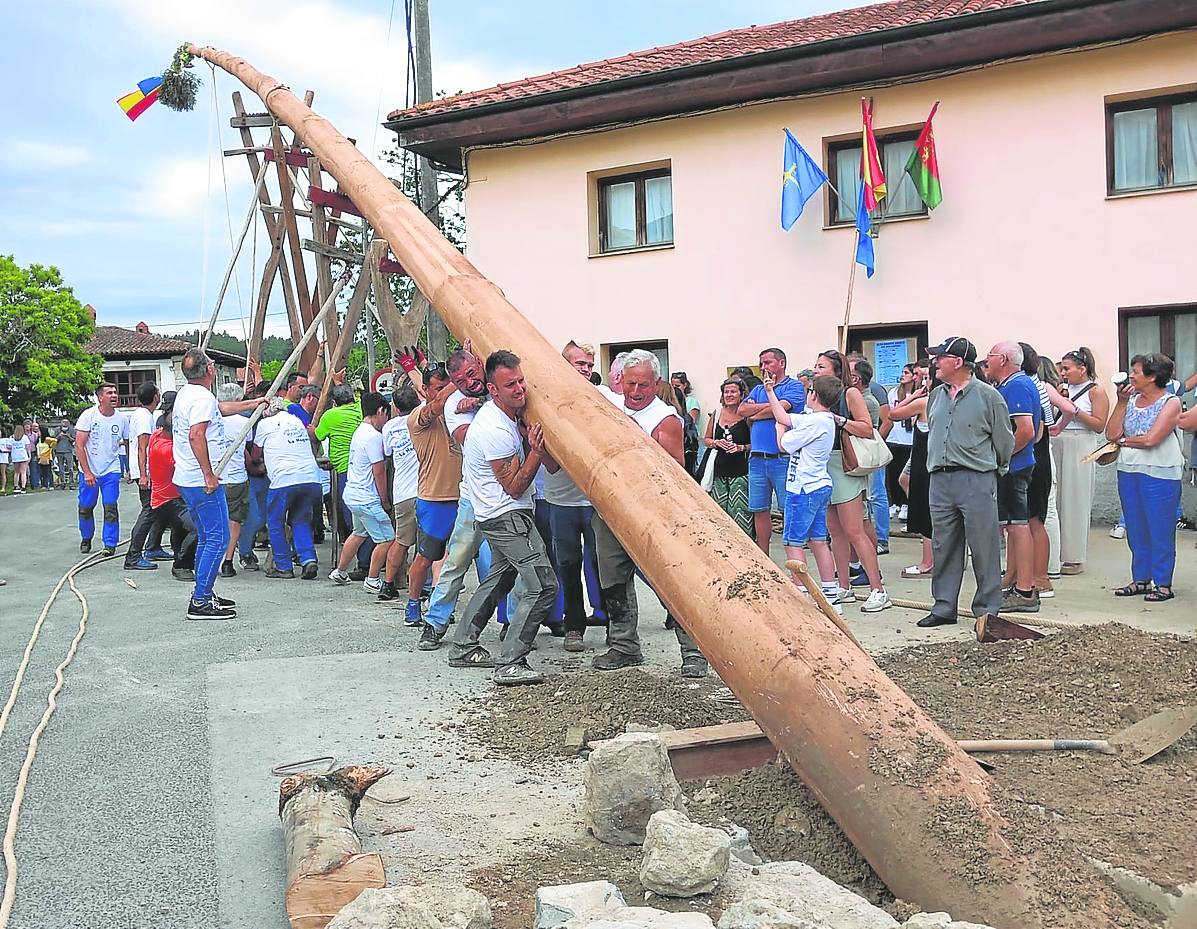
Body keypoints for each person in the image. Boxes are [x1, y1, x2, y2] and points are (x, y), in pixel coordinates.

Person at [590, 349, 709, 677]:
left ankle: (694, 652)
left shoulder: (666, 419)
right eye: (631, 384)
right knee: (613, 581)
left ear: (656, 384)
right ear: (621, 382)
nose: (636, 391)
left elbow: (675, 476)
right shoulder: (609, 407)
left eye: (643, 385)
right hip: (609, 508)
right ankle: (623, 646)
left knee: (671, 582)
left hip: (651, 514)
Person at [448, 350, 560, 685]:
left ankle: (463, 646)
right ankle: (510, 661)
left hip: (496, 514)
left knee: (499, 580)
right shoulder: (494, 427)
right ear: (493, 390)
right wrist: (537, 452)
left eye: (521, 381)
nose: (519, 389)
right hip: (507, 516)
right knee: (543, 586)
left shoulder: (505, 416)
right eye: (510, 384)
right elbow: (513, 486)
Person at [418, 349, 514, 639]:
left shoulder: (498, 393)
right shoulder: (453, 406)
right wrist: (487, 402)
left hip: (513, 496)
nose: (470, 382)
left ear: (481, 366)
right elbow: (476, 442)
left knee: (512, 565)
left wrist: (484, 400)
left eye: (473, 374)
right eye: (461, 380)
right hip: (474, 498)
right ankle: (435, 623)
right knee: (457, 560)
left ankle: (512, 622)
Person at [919, 337, 1013, 628]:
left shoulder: (988, 396)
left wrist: (995, 470)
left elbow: (1004, 440)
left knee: (983, 545)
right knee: (943, 545)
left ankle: (987, 609)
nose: (934, 363)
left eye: (940, 358)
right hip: (940, 479)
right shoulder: (936, 395)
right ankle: (944, 606)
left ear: (957, 362)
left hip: (976, 477)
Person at [172, 349, 257, 621]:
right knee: (218, 538)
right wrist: (209, 474)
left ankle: (204, 591)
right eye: (211, 363)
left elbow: (219, 409)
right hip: (201, 481)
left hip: (187, 478)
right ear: (208, 371)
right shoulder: (201, 399)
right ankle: (200, 600)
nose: (214, 365)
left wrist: (252, 404)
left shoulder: (190, 394)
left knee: (208, 537)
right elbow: (197, 434)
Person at [814, 350, 889, 612]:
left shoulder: (849, 394)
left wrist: (839, 420)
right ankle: (843, 585)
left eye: (821, 366)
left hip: (845, 463)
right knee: (835, 532)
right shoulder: (816, 397)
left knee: (855, 530)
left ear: (836, 369)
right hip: (825, 465)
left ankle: (878, 589)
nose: (816, 370)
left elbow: (867, 428)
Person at [545, 341, 608, 652]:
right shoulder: (547, 402)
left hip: (597, 501)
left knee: (603, 564)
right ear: (563, 365)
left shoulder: (605, 398)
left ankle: (613, 624)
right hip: (561, 500)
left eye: (587, 364)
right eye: (578, 363)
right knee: (567, 565)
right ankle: (574, 626)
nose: (584, 369)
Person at [1106, 353, 1184, 602]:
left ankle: (1162, 583)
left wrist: (1124, 441)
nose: (1130, 376)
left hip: (1160, 471)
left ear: (1152, 377)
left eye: (1136, 372)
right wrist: (1120, 403)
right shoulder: (1130, 400)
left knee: (1160, 527)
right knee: (1136, 526)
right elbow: (1111, 433)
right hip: (1130, 469)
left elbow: (1151, 439)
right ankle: (1140, 579)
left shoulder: (1170, 402)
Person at [767, 372, 841, 608]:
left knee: (793, 542)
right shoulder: (821, 418)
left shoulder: (814, 422)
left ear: (814, 395)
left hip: (803, 489)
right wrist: (770, 392)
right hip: (819, 486)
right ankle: (831, 593)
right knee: (819, 541)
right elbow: (784, 417)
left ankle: (802, 595)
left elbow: (783, 444)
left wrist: (779, 429)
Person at [986, 341, 1044, 613]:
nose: (987, 359)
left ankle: (1025, 589)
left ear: (1005, 359)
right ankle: (1018, 583)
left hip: (1014, 467)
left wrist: (1003, 457)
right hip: (1019, 463)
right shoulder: (1015, 384)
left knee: (1018, 525)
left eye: (991, 355)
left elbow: (1026, 430)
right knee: (1014, 525)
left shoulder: (1017, 386)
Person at [406, 364, 460, 638]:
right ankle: (413, 602)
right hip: (434, 499)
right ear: (425, 390)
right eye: (438, 388)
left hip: (464, 498)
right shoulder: (419, 417)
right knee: (426, 557)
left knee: (469, 559)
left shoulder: (457, 410)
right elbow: (437, 404)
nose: (446, 393)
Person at [736, 348, 806, 554]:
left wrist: (757, 411)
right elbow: (742, 410)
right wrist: (768, 409)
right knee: (759, 509)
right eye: (761, 364)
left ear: (781, 363)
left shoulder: (793, 386)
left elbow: (782, 409)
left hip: (782, 458)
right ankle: (763, 555)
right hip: (757, 458)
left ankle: (793, 554)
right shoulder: (758, 389)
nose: (763, 368)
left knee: (788, 510)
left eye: (767, 363)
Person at [1050, 348, 1109, 575]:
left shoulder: (1095, 391)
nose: (1063, 373)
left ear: (1082, 369)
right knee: (1056, 499)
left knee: (1076, 499)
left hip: (1081, 441)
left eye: (1067, 368)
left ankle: (1074, 557)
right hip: (1059, 440)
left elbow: (1098, 424)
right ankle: (1055, 551)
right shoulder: (1060, 390)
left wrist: (1073, 410)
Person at [329, 392, 394, 591]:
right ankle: (373, 579)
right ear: (381, 411)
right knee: (387, 539)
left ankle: (340, 571)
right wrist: (385, 500)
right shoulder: (374, 437)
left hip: (352, 493)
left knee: (358, 533)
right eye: (386, 415)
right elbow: (379, 471)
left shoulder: (359, 431)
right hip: (367, 498)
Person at [254, 399, 323, 579]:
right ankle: (308, 559)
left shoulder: (265, 424)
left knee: (275, 523)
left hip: (283, 480)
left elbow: (255, 455)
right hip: (311, 478)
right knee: (300, 520)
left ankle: (284, 566)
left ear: (267, 411)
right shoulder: (295, 420)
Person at [316, 385, 369, 580]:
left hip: (346, 471)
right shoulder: (359, 408)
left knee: (353, 520)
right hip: (367, 467)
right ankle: (367, 561)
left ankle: (364, 564)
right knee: (367, 515)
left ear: (335, 402)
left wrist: (312, 428)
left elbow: (317, 435)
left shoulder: (330, 416)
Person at [146, 392, 198, 581]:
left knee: (181, 529)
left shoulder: (157, 435)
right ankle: (181, 564)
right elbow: (189, 463)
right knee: (196, 527)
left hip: (170, 497)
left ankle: (180, 559)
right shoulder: (168, 449)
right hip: (167, 500)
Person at [378, 382, 422, 601]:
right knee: (430, 542)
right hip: (426, 490)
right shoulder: (424, 419)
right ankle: (425, 584)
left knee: (401, 541)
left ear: (395, 407)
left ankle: (387, 584)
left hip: (402, 492)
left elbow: (386, 453)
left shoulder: (389, 427)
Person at [891, 361, 934, 578]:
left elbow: (894, 414)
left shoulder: (925, 402)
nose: (922, 381)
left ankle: (928, 562)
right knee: (903, 480)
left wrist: (914, 396)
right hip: (922, 457)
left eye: (927, 377)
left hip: (923, 460)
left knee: (927, 512)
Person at [74, 383, 128, 555]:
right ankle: (86, 537)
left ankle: (110, 543)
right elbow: (79, 445)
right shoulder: (88, 416)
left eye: (115, 392)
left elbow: (128, 444)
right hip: (89, 471)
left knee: (110, 506)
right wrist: (88, 472)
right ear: (100, 397)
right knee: (86, 507)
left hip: (111, 470)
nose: (114, 396)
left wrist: (130, 469)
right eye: (109, 393)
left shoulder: (122, 419)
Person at [124, 381, 172, 571]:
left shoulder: (142, 414)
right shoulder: (144, 418)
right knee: (149, 511)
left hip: (144, 469)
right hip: (145, 471)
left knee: (159, 509)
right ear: (155, 397)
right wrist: (144, 474)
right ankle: (133, 556)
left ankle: (153, 546)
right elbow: (143, 448)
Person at [850, 356, 892, 555]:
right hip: (861, 457)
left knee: (875, 496)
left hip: (866, 457)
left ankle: (880, 539)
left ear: (856, 378)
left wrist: (876, 446)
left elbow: (885, 421)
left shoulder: (867, 400)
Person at [703, 378, 752, 536]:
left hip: (741, 472)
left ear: (741, 394)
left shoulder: (748, 417)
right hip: (719, 471)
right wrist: (717, 442)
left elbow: (755, 444)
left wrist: (740, 447)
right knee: (719, 512)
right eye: (726, 392)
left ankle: (745, 548)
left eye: (733, 391)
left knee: (740, 512)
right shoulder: (716, 414)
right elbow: (706, 439)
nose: (729, 395)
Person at [216, 384, 253, 578]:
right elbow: (248, 448)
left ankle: (214, 558)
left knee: (215, 521)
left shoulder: (212, 419)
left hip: (216, 476)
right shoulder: (244, 422)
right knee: (235, 521)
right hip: (237, 477)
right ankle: (228, 560)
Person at [886, 365, 917, 522]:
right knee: (893, 473)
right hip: (894, 438)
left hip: (909, 440)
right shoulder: (894, 393)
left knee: (906, 475)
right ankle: (895, 503)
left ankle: (906, 504)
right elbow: (892, 413)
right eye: (902, 372)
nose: (902, 375)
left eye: (906, 373)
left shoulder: (917, 395)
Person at [54, 418, 76, 489]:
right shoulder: (57, 430)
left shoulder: (72, 430)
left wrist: (68, 436)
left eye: (66, 423)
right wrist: (59, 436)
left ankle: (71, 483)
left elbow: (74, 440)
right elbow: (54, 440)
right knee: (61, 468)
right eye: (63, 423)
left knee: (70, 468)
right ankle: (62, 483)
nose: (64, 425)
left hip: (68, 451)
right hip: (59, 451)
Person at [9, 424, 29, 494]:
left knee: (16, 472)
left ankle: (16, 487)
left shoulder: (11, 437)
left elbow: (9, 446)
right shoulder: (25, 437)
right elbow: (27, 447)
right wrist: (29, 456)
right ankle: (23, 488)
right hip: (23, 456)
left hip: (15, 456)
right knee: (23, 472)